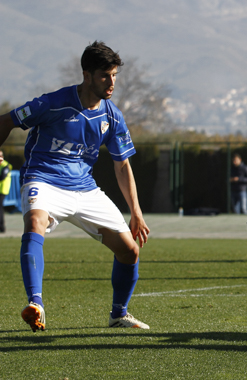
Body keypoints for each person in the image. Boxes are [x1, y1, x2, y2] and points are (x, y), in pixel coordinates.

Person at [0, 41, 151, 331]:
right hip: (43, 179)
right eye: (105, 75)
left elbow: (122, 165)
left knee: (130, 251)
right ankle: (36, 304)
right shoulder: (51, 103)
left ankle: (118, 314)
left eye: (115, 75)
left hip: (84, 188)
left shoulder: (111, 116)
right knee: (34, 222)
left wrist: (137, 211)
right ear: (87, 75)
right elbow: (6, 121)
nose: (112, 82)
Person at [0, 150, 12, 232]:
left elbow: (2, 177)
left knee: (0, 208)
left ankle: (2, 227)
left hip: (3, 189)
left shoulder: (6, 165)